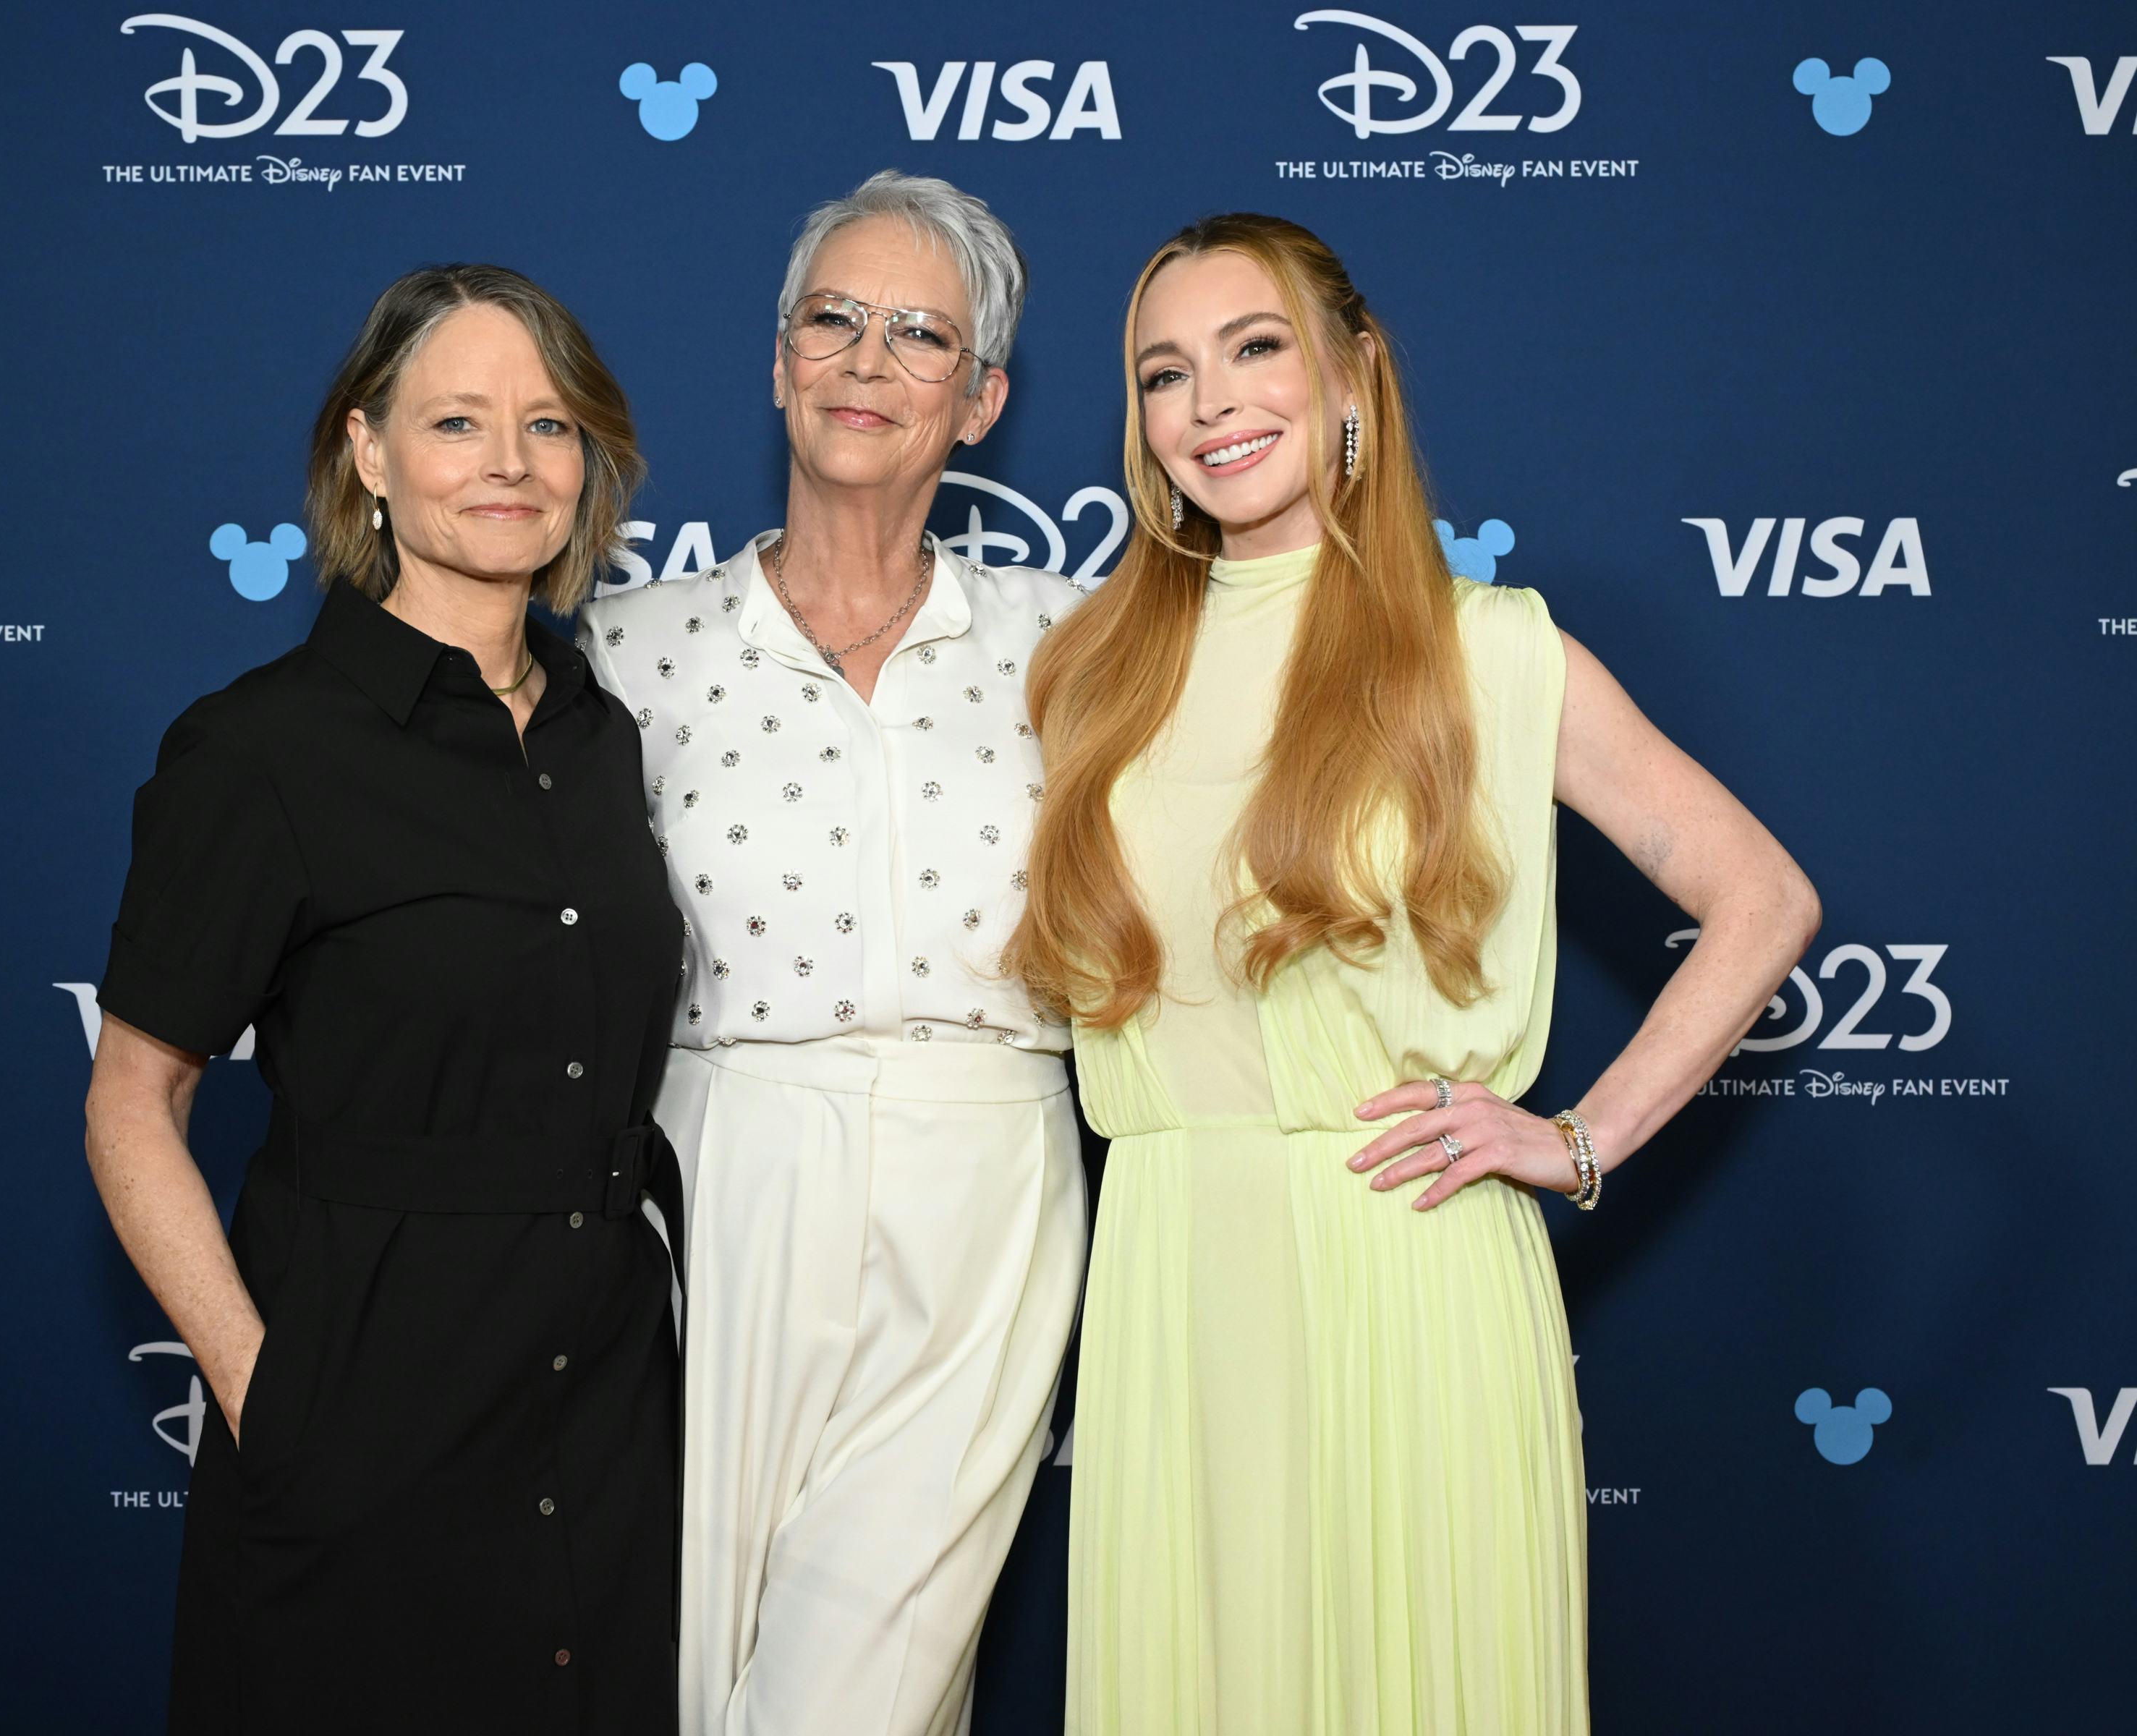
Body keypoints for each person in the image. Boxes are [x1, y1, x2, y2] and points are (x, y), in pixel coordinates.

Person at [1009, 215, 1822, 1734]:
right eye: (1166, 374)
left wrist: (1581, 1139)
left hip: (1409, 1261)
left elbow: (1763, 899)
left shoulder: (1490, 652)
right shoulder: (1090, 672)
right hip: (1174, 1275)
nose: (1212, 405)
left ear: (1350, 378)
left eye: (1257, 348)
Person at [83, 264, 682, 1735]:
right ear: (367, 453)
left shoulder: (606, 734)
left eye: (547, 428)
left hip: (604, 1416)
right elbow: (133, 1101)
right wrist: (266, 1397)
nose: (507, 466)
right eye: (457, 422)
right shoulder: (261, 751)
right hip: (367, 1410)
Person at [578, 171, 1086, 1736]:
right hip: (715, 1172)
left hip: (987, 1183)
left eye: (920, 335)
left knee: (844, 1694)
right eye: (834, 320)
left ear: (982, 398)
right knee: (695, 1669)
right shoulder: (627, 649)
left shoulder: (1079, 645)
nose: (868, 362)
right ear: (780, 358)